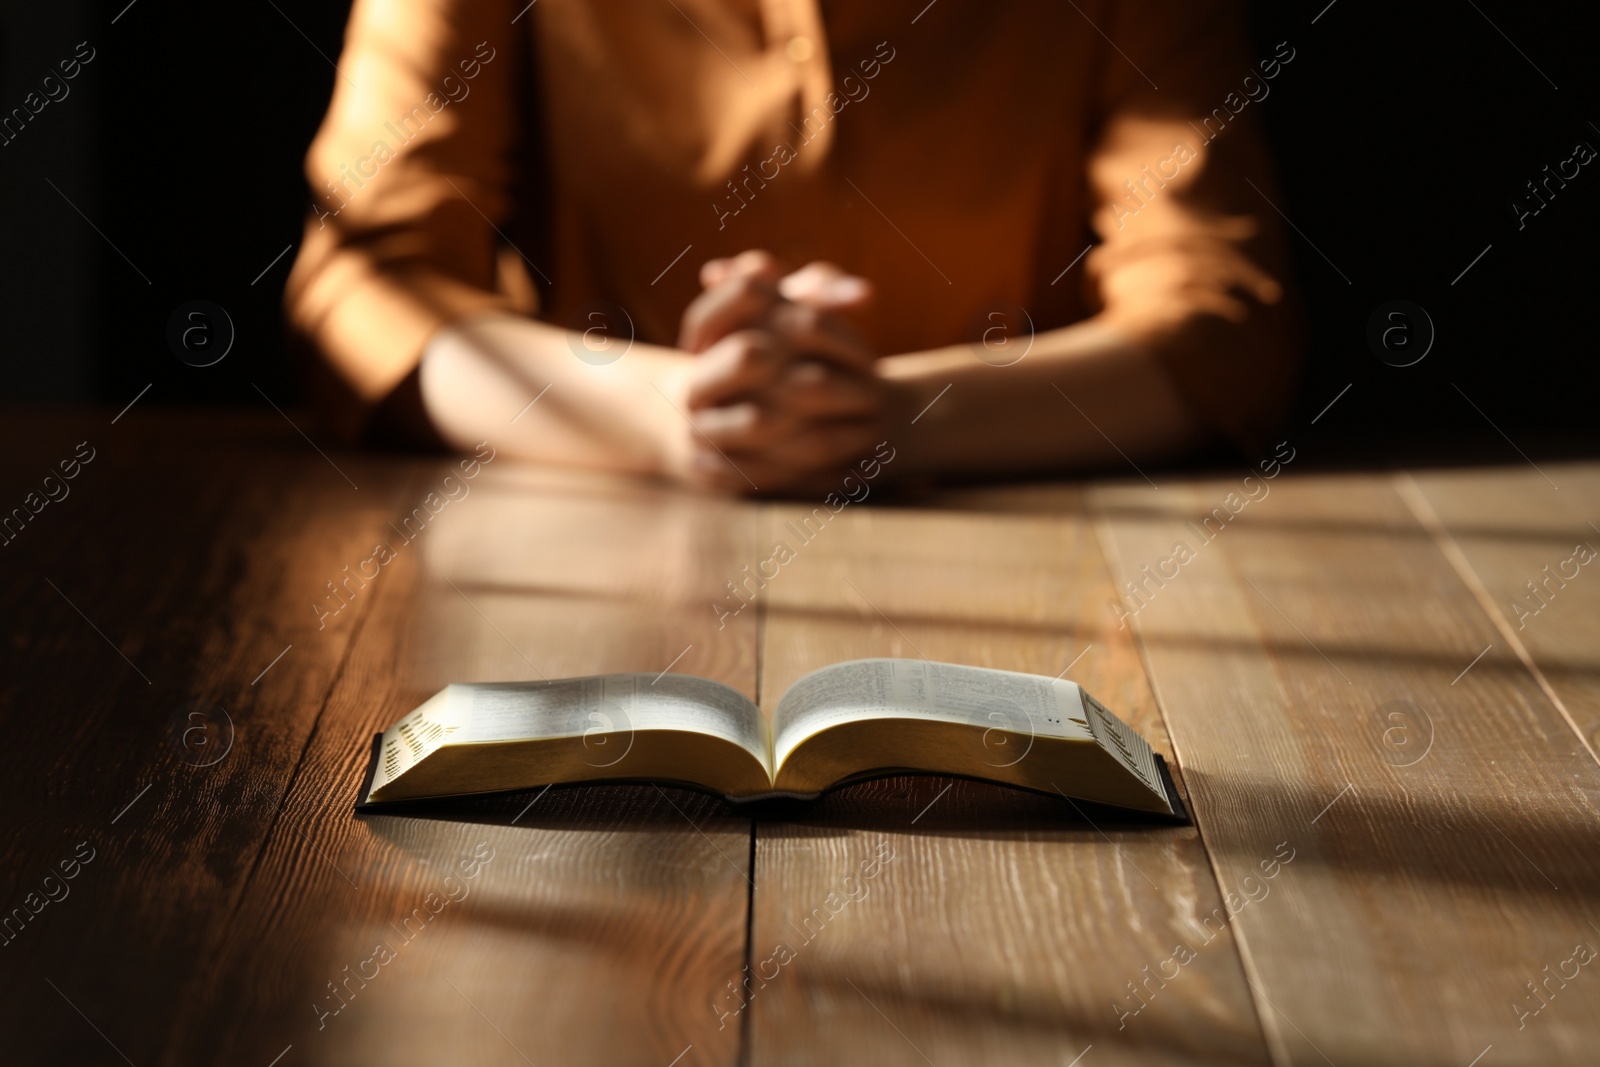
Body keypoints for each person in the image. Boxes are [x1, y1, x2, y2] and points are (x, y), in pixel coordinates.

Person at [285, 0, 1299, 494]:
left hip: (1028, 561)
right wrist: (667, 415)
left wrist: (899, 420)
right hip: (584, 548)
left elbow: (1225, 323)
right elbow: (364, 284)